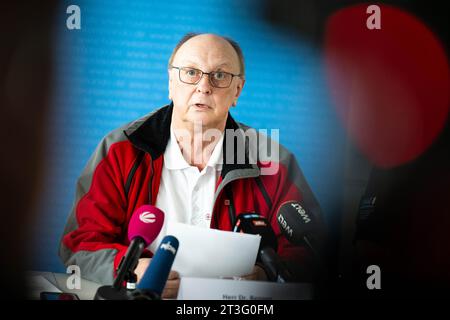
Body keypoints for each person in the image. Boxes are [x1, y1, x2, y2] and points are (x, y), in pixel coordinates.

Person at [59, 33, 324, 299]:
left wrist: (266, 275)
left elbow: (312, 250)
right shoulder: (121, 150)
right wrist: (130, 269)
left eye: (220, 75)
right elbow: (82, 244)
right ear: (171, 83)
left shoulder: (274, 163)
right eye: (190, 72)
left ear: (237, 92)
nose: (204, 86)